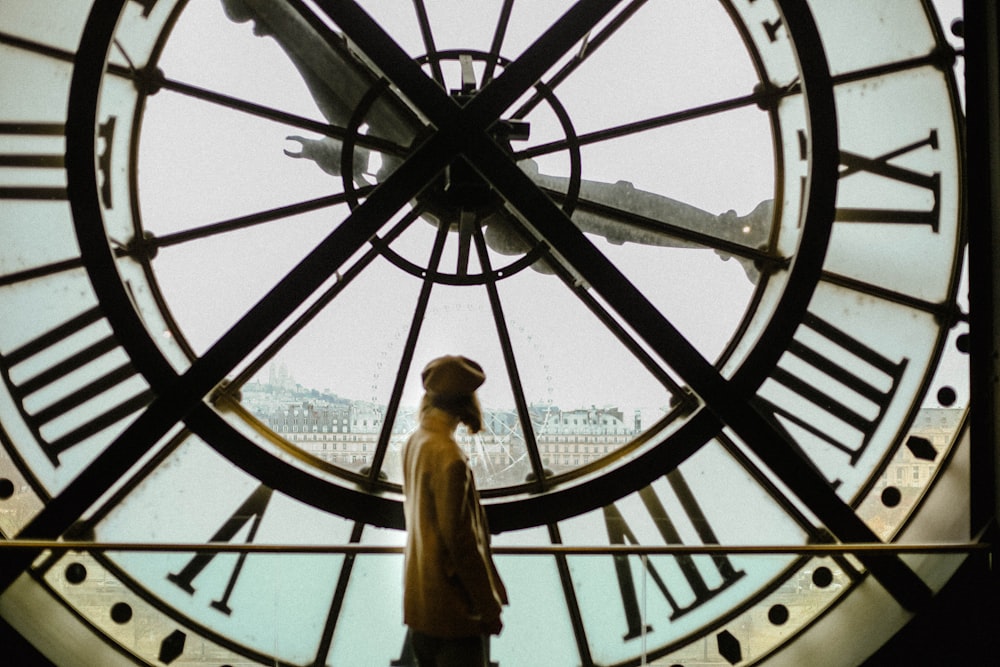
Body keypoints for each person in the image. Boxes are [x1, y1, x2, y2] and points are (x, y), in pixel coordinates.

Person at [402, 355, 509, 667]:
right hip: (455, 610)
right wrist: (488, 608)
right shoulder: (450, 457)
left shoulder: (415, 442)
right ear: (467, 401)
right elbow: (461, 543)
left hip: (421, 604)